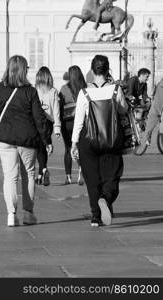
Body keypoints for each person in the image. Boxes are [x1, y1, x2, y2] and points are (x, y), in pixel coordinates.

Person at [0, 55, 53, 227]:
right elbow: (39, 118)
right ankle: (28, 213)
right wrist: (46, 140)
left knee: (10, 177)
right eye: (26, 68)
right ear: (23, 70)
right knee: (28, 175)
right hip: (27, 139)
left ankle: (11, 214)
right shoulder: (30, 91)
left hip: (5, 138)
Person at [71, 55, 128, 227]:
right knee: (113, 175)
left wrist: (74, 143)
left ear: (92, 70)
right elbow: (123, 110)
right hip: (111, 139)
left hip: (88, 140)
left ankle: (95, 217)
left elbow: (79, 121)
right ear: (107, 69)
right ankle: (106, 198)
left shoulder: (84, 93)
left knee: (92, 179)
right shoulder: (116, 90)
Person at [59, 66, 86, 185]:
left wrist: (58, 123)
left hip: (67, 122)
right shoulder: (85, 88)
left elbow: (59, 106)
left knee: (68, 149)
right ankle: (81, 171)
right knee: (81, 148)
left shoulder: (64, 88)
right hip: (81, 122)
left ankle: (68, 177)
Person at [34, 66, 61, 186]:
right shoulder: (53, 91)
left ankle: (43, 170)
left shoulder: (35, 90)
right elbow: (56, 110)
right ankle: (40, 174)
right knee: (44, 146)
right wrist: (57, 127)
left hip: (37, 122)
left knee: (39, 147)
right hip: (49, 122)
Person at [145, 78, 163, 145]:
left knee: (150, 124)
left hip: (156, 108)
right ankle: (147, 138)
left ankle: (147, 139)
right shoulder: (160, 84)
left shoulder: (159, 84)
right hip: (157, 109)